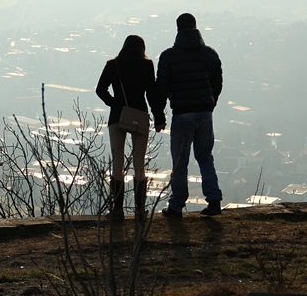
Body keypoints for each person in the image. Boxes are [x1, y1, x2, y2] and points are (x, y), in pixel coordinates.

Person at [156, 13, 223, 218]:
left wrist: (159, 115)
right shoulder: (209, 54)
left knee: (180, 161)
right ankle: (213, 201)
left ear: (177, 29)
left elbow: (161, 87)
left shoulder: (169, 56)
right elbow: (217, 82)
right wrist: (210, 103)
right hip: (204, 113)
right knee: (205, 157)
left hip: (182, 113)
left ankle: (176, 206)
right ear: (195, 27)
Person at [96, 35, 166, 219]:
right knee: (139, 164)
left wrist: (115, 104)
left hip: (117, 117)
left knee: (117, 164)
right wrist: (159, 117)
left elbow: (100, 90)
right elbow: (151, 93)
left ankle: (117, 210)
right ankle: (139, 210)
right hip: (139, 116)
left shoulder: (113, 65)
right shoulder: (146, 65)